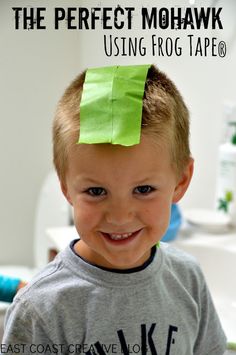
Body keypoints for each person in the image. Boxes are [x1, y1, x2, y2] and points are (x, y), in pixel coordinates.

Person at [2, 64, 226, 354]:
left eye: (143, 190)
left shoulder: (187, 279)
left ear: (181, 180)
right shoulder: (41, 308)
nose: (120, 216)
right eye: (96, 191)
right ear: (66, 189)